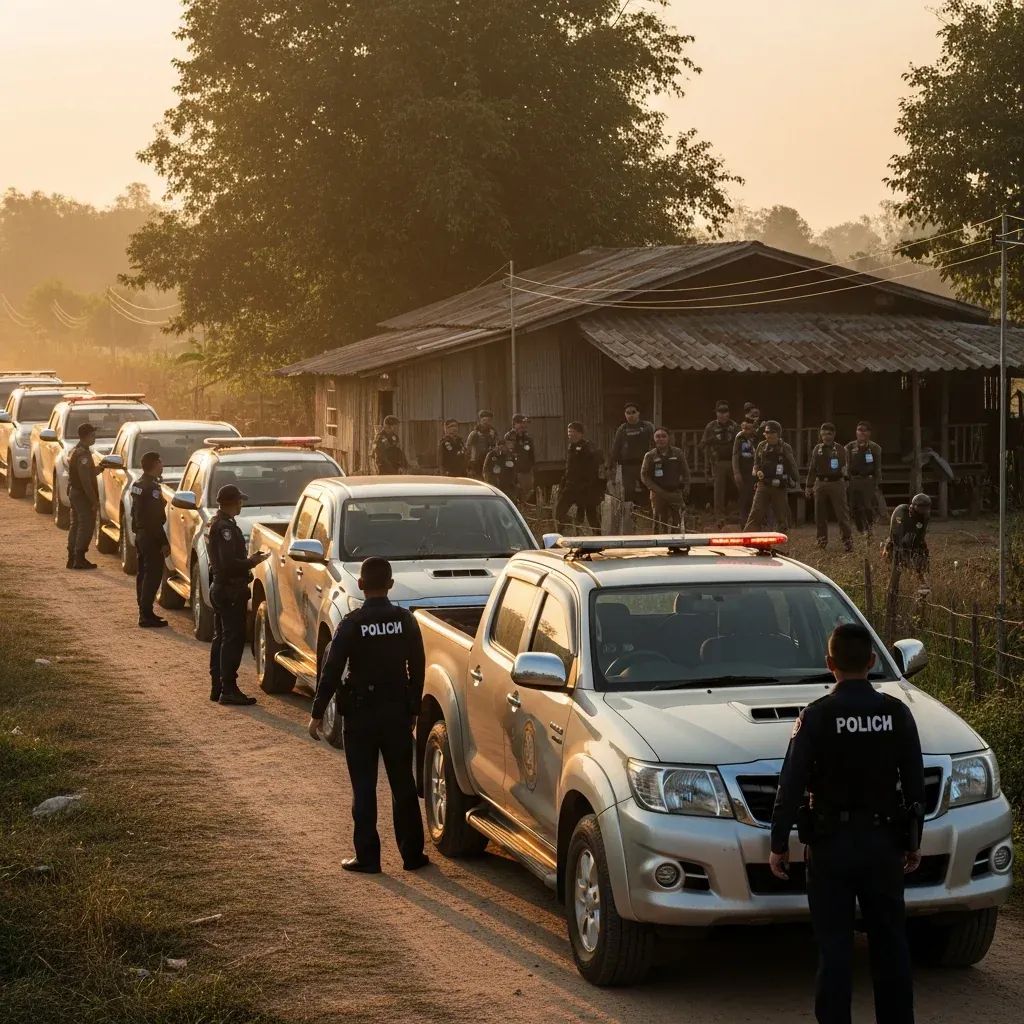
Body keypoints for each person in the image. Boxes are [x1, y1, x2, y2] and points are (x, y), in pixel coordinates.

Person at [770, 623, 924, 1024]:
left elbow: (791, 783)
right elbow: (914, 784)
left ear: (829, 664)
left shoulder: (816, 716)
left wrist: (778, 841)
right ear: (872, 662)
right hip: (883, 844)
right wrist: (913, 841)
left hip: (831, 845)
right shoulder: (897, 714)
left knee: (835, 949)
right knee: (891, 945)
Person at [308, 556, 428, 874]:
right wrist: (413, 709)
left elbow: (331, 669)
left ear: (360, 585)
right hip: (396, 714)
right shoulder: (405, 621)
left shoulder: (351, 623)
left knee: (364, 787)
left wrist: (317, 712)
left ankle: (368, 857)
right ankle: (412, 855)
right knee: (402, 784)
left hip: (360, 716)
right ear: (390, 584)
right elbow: (417, 667)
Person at [207, 484, 270, 705]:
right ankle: (228, 689)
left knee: (222, 638)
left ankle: (219, 686)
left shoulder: (221, 524)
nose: (242, 504)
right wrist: (251, 562)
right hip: (229, 590)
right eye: (239, 501)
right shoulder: (224, 528)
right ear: (232, 502)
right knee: (232, 640)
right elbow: (227, 564)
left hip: (223, 588)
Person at [131, 450, 169, 628]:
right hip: (151, 536)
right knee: (152, 575)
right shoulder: (152, 488)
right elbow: (154, 519)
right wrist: (163, 542)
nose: (162, 465)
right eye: (161, 462)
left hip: (141, 533)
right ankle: (145, 614)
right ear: (155, 464)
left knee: (143, 574)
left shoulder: (138, 484)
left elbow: (135, 511)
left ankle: (144, 610)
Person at [805, 422, 854, 552]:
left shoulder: (840, 449)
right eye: (823, 434)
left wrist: (846, 481)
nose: (826, 437)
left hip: (836, 482)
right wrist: (809, 486)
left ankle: (847, 541)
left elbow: (846, 467)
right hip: (820, 483)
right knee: (819, 515)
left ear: (834, 435)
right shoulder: (817, 449)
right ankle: (821, 541)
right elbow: (812, 468)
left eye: (829, 434)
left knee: (842, 514)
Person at [745, 420, 799, 530]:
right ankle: (748, 537)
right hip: (763, 484)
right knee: (756, 512)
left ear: (778, 434)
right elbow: (756, 463)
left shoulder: (785, 447)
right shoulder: (762, 446)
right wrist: (756, 472)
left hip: (779, 485)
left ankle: (783, 541)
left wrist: (795, 480)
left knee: (781, 516)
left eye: (772, 433)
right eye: (767, 432)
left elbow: (792, 465)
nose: (769, 435)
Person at [66, 422, 102, 570]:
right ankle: (79, 558)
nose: (95, 437)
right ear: (86, 436)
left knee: (76, 525)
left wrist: (100, 468)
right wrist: (94, 501)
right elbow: (85, 481)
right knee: (85, 525)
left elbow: (87, 473)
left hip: (75, 492)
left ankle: (72, 557)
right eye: (93, 435)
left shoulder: (78, 450)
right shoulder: (83, 454)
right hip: (82, 494)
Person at [555, 421, 602, 534]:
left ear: (580, 433)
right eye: (569, 432)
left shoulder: (588, 447)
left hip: (586, 488)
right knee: (559, 512)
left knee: (591, 516)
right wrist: (563, 484)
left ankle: (599, 538)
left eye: (573, 432)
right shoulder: (571, 447)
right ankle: (560, 536)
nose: (570, 434)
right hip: (570, 486)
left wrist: (587, 485)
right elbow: (569, 468)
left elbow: (593, 469)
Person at [640, 427, 690, 532]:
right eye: (658, 436)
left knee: (678, 522)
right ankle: (657, 545)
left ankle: (676, 544)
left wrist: (686, 486)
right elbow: (644, 475)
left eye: (664, 436)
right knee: (659, 522)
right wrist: (655, 489)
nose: (661, 439)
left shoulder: (678, 453)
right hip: (657, 493)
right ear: (654, 439)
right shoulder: (650, 455)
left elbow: (686, 471)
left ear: (668, 438)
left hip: (675, 492)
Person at [608, 403, 655, 513]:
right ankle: (630, 513)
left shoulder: (646, 427)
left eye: (633, 412)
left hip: (644, 464)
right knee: (628, 490)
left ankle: (648, 511)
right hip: (627, 466)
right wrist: (611, 463)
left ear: (638, 413)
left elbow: (654, 443)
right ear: (625, 414)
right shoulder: (622, 429)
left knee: (646, 486)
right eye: (628, 413)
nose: (631, 415)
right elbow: (616, 447)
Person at [702, 401, 738, 523]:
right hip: (718, 462)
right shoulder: (710, 427)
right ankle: (719, 516)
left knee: (741, 485)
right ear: (716, 413)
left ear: (729, 413)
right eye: (720, 412)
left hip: (733, 461)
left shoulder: (734, 426)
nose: (723, 415)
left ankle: (744, 512)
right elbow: (703, 444)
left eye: (725, 412)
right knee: (718, 490)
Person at [846, 421, 883, 537]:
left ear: (869, 433)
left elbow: (878, 466)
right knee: (855, 507)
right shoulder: (849, 447)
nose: (861, 432)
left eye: (864, 430)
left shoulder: (875, 447)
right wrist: (847, 480)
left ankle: (870, 529)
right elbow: (846, 465)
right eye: (859, 430)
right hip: (854, 480)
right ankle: (860, 530)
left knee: (868, 506)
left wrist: (877, 482)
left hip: (868, 480)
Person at [882, 493, 931, 578]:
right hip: (898, 540)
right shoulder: (902, 511)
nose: (924, 510)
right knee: (895, 560)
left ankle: (921, 579)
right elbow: (895, 531)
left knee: (922, 559)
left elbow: (921, 534)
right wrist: (902, 548)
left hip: (913, 540)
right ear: (915, 506)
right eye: (922, 508)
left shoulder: (925, 516)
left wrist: (918, 549)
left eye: (926, 508)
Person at [732, 417, 759, 527]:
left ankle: (754, 523)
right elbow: (735, 456)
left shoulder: (757, 438)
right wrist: (736, 472)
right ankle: (743, 523)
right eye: (745, 428)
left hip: (755, 471)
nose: (747, 431)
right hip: (743, 471)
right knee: (744, 497)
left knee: (755, 497)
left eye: (749, 428)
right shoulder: (739, 438)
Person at [505, 413, 536, 503]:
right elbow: (508, 453)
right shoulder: (509, 436)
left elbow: (531, 454)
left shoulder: (527, 437)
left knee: (528, 491)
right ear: (515, 424)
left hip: (526, 469)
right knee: (516, 493)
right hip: (515, 470)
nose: (524, 425)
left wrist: (531, 466)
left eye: (524, 423)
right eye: (521, 423)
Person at [465, 410, 497, 479]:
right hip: (476, 463)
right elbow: (468, 449)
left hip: (489, 462)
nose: (486, 422)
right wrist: (469, 465)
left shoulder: (493, 433)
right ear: (480, 420)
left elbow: (496, 446)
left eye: (488, 420)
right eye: (484, 420)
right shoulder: (474, 434)